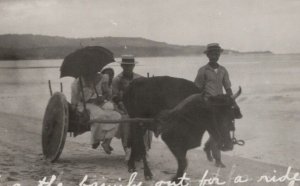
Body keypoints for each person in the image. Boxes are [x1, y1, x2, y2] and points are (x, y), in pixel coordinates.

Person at [194, 43, 233, 168]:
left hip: (221, 105)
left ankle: (207, 148)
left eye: (217, 53)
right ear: (208, 55)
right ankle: (218, 161)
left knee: (220, 131)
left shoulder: (223, 70)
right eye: (212, 53)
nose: (215, 56)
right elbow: (197, 89)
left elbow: (228, 88)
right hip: (208, 106)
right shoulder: (202, 70)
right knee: (216, 132)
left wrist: (231, 101)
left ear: (219, 55)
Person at [112, 55, 152, 160]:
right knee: (126, 120)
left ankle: (145, 150)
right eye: (126, 66)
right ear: (122, 66)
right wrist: (122, 105)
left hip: (138, 107)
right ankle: (127, 149)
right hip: (122, 107)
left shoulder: (140, 79)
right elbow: (114, 96)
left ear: (133, 66)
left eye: (130, 66)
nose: (128, 68)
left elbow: (146, 96)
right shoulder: (117, 80)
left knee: (145, 121)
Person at [71, 70, 121, 155]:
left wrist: (103, 97)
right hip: (84, 105)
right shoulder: (77, 83)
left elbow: (107, 95)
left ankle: (107, 141)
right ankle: (95, 140)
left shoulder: (101, 78)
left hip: (99, 103)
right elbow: (74, 102)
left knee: (117, 115)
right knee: (100, 116)